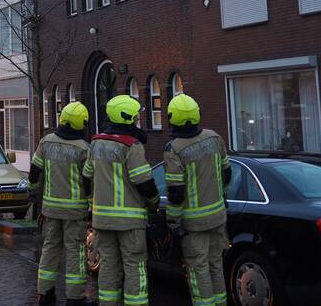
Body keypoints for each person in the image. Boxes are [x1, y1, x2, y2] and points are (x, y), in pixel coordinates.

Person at [84, 95, 159, 306]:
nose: (137, 120)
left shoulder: (96, 143)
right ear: (127, 117)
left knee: (108, 266)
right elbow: (143, 182)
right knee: (135, 267)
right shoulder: (131, 146)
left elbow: (86, 176)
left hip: (102, 222)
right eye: (135, 116)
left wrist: (92, 203)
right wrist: (153, 202)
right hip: (130, 223)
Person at [163, 94, 231, 306]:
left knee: (197, 268)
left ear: (172, 118)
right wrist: (221, 198)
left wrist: (172, 221)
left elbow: (176, 192)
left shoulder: (174, 149)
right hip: (218, 217)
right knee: (216, 265)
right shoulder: (214, 138)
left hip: (194, 224)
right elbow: (227, 174)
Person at [30, 100, 91, 306]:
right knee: (75, 252)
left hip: (50, 210)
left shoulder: (46, 142)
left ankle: (45, 294)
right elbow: (88, 181)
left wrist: (36, 199)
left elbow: (34, 174)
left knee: (50, 249)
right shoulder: (84, 149)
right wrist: (91, 204)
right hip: (75, 212)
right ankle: (75, 298)